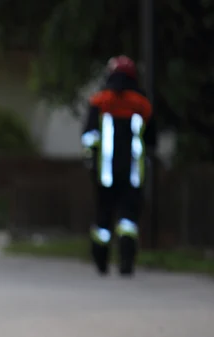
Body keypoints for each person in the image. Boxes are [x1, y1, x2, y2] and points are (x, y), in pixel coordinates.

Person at [81, 56, 156, 276]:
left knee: (103, 217)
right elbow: (151, 140)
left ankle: (101, 261)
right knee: (128, 219)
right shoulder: (142, 104)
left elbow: (88, 135)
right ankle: (126, 261)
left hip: (104, 173)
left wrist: (91, 159)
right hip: (133, 173)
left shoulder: (100, 101)